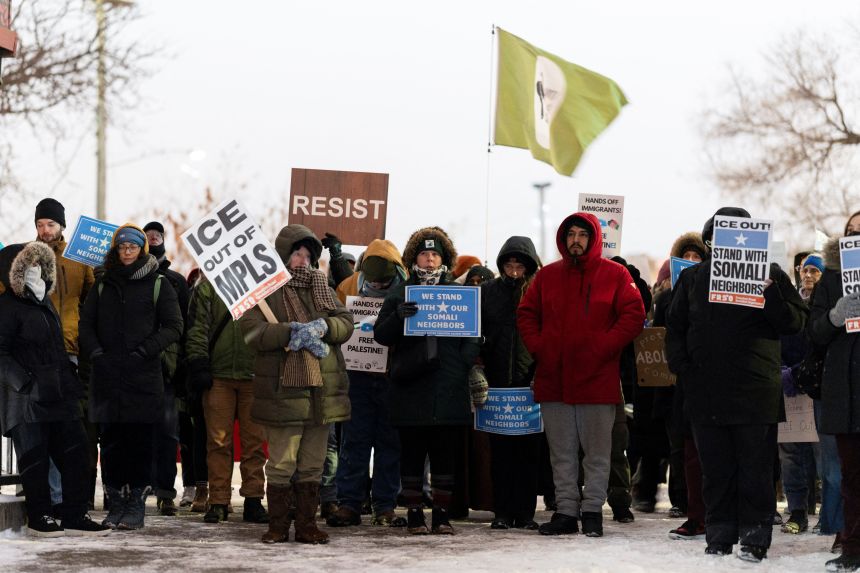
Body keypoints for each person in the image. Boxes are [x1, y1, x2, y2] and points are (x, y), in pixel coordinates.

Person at [666, 207, 807, 562]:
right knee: (716, 471)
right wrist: (685, 370)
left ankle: (755, 536)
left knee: (756, 471)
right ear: (710, 241)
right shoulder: (694, 278)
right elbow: (676, 329)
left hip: (755, 394)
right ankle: (719, 534)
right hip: (707, 393)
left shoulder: (772, 274)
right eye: (717, 237)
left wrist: (771, 293)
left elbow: (795, 323)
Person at [517, 212, 645, 537]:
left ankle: (591, 513)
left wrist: (605, 346)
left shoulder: (615, 275)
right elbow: (526, 313)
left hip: (597, 381)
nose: (576, 239)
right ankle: (565, 512)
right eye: (571, 234)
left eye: (582, 235)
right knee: (561, 455)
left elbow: (634, 313)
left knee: (598, 454)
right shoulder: (547, 276)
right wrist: (540, 347)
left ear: (593, 239)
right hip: (554, 379)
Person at [240, 224, 353, 545]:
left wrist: (322, 326)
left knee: (312, 464)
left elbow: (345, 324)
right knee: (281, 463)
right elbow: (251, 332)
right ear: (283, 257)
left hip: (321, 394)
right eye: (297, 254)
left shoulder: (323, 288)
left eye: (308, 254)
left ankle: (306, 526)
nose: (302, 260)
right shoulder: (264, 293)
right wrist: (288, 331)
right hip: (283, 394)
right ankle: (277, 526)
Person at [374, 227, 481, 535]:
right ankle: (415, 515)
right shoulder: (401, 292)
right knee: (411, 454)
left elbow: (473, 335)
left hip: (448, 388)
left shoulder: (458, 292)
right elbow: (381, 335)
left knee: (445, 457)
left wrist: (462, 363)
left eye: (435, 254)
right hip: (411, 388)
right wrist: (398, 316)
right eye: (424, 254)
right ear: (414, 258)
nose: (430, 259)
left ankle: (442, 515)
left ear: (444, 258)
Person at [0, 242, 109, 537]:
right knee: (35, 461)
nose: (35, 271)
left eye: (39, 265)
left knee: (76, 453)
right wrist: (25, 382)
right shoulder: (7, 307)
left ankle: (74, 514)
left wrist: (69, 378)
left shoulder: (45, 303)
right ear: (14, 273)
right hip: (26, 400)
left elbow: (56, 348)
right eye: (28, 265)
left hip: (58, 394)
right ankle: (40, 517)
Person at [79, 224, 183, 530]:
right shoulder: (102, 284)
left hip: (143, 377)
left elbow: (173, 325)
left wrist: (145, 351)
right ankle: (117, 502)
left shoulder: (158, 284)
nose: (127, 252)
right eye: (122, 247)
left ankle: (136, 503)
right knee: (110, 444)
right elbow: (86, 325)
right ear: (115, 249)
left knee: (140, 443)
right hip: (108, 377)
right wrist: (97, 352)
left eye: (132, 247)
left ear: (142, 250)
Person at [326, 239, 409, 528]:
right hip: (357, 377)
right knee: (354, 441)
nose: (377, 285)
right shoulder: (347, 287)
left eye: (383, 281)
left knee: (390, 443)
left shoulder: (408, 290)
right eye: (373, 280)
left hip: (391, 375)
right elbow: (335, 325)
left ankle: (384, 506)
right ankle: (349, 503)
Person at [185, 272, 269, 525]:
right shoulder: (207, 289)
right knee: (218, 442)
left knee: (254, 444)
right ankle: (218, 501)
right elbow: (197, 328)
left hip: (254, 375)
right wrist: (199, 364)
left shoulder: (265, 289)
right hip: (217, 376)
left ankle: (253, 499)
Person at [809, 210, 860, 572]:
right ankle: (853, 547)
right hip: (844, 393)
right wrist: (834, 317)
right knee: (851, 477)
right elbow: (812, 333)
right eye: (850, 231)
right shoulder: (830, 278)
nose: (856, 235)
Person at [479, 236, 542, 530]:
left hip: (528, 385)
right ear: (502, 264)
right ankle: (502, 512)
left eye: (520, 263)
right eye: (509, 262)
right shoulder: (486, 292)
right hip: (497, 386)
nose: (514, 267)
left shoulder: (539, 291)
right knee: (501, 454)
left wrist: (538, 372)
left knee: (529, 455)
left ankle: (526, 512)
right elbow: (475, 333)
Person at [142, 221, 191, 517]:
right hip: (137, 367)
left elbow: (185, 325)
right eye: (147, 236)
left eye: (157, 236)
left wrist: (183, 364)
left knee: (167, 433)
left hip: (168, 370)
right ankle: (136, 489)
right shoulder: (130, 279)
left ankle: (164, 493)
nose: (153, 239)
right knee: (135, 431)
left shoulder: (175, 281)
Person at [778, 253, 824, 535]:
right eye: (803, 270)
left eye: (813, 271)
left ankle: (829, 514)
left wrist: (806, 371)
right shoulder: (790, 304)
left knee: (822, 456)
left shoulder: (825, 306)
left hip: (817, 387)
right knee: (790, 454)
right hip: (789, 385)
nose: (807, 275)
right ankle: (797, 511)